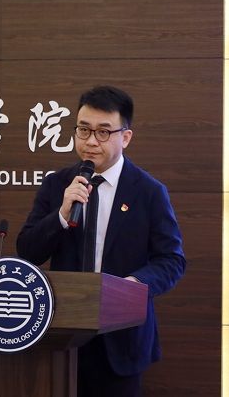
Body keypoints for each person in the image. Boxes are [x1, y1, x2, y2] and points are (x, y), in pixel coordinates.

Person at [17, 85, 186, 396]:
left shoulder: (148, 191)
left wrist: (132, 286)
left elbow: (171, 260)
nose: (91, 141)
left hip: (120, 341)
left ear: (126, 137)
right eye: (84, 130)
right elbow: (28, 251)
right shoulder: (57, 185)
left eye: (103, 132)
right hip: (61, 337)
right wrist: (61, 214)